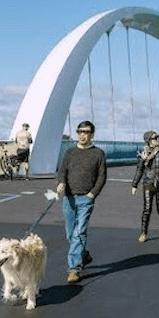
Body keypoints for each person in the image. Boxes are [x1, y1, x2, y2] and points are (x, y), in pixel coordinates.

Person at [56, 121, 107, 283]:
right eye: (79, 131)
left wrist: (93, 194)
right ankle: (83, 255)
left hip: (86, 198)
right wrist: (61, 182)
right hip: (69, 197)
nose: (82, 135)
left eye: (86, 132)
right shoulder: (70, 152)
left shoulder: (98, 154)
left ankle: (74, 269)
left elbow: (102, 176)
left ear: (92, 134)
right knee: (70, 233)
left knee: (79, 233)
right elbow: (62, 171)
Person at [131, 130, 159, 242]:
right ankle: (144, 233)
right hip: (148, 183)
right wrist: (134, 185)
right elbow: (139, 169)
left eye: (158, 137)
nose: (157, 140)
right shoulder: (143, 153)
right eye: (155, 138)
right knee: (147, 209)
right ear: (148, 140)